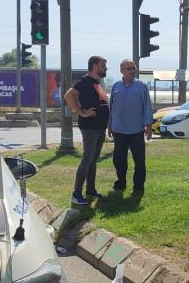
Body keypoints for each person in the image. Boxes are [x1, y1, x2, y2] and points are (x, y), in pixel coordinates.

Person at [65, 55, 110, 204]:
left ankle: (90, 190)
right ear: (95, 66)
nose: (106, 68)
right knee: (87, 159)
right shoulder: (83, 82)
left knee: (93, 160)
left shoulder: (97, 83)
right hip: (90, 127)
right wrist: (81, 112)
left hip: (100, 127)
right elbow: (68, 95)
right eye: (103, 65)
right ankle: (76, 194)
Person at [108, 59, 153, 193]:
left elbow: (147, 106)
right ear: (121, 70)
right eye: (129, 68)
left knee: (139, 161)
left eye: (134, 68)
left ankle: (138, 187)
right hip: (118, 130)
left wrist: (148, 126)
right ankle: (121, 183)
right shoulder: (116, 86)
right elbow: (111, 107)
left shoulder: (141, 86)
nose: (132, 71)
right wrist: (109, 125)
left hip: (136, 131)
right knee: (118, 160)